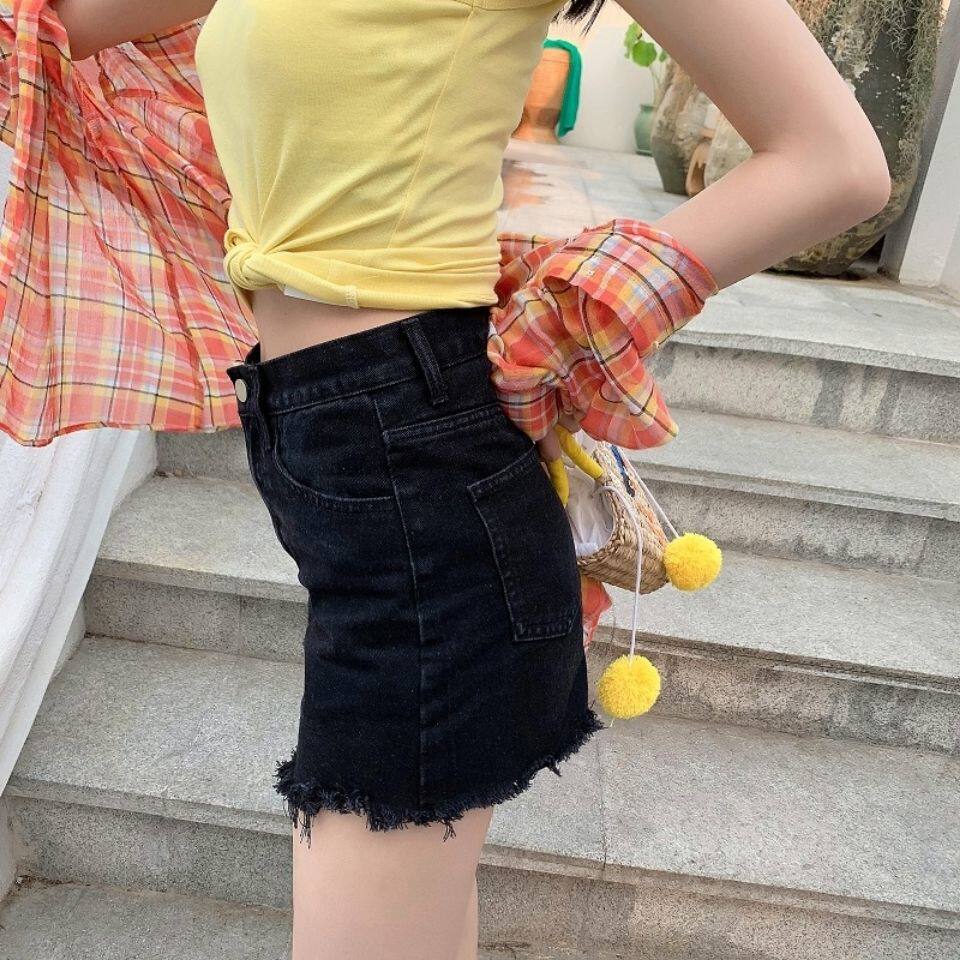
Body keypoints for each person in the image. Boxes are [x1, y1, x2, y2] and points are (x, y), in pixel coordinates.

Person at [36, 0, 892, 957]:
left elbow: (836, 160)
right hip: (345, 444)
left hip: (424, 469)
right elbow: (56, 25)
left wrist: (574, 305)